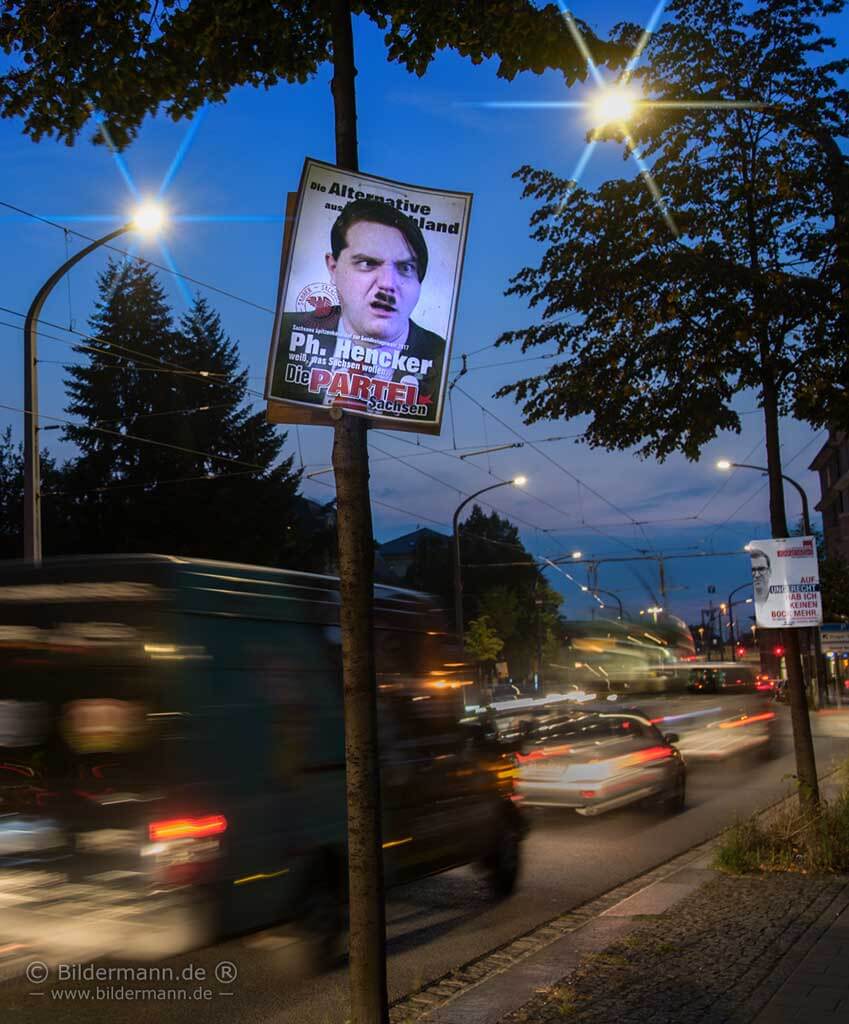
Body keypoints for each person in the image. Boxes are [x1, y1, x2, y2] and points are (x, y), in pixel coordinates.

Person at [269, 199, 446, 417]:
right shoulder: (287, 333)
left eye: (405, 267)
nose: (387, 284)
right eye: (367, 263)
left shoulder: (440, 357)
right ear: (333, 268)